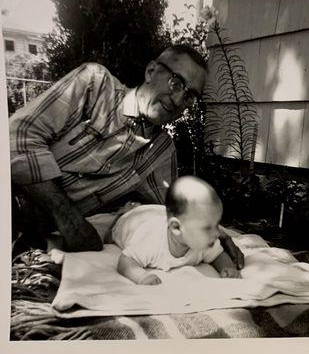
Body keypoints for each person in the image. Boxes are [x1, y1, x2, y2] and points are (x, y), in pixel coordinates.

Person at [9, 44, 244, 269]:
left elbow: (174, 210)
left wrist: (213, 232)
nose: (177, 100)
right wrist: (69, 220)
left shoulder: (161, 151)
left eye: (190, 96)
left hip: (38, 239)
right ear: (151, 71)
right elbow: (18, 134)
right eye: (176, 83)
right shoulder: (95, 85)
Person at [112, 176, 240, 285]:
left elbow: (218, 255)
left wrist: (227, 267)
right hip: (132, 222)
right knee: (115, 229)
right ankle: (126, 210)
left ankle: (142, 206)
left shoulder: (204, 242)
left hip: (158, 213)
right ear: (176, 228)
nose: (217, 233)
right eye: (207, 228)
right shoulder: (152, 242)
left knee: (166, 212)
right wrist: (141, 276)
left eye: (216, 224)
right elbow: (125, 260)